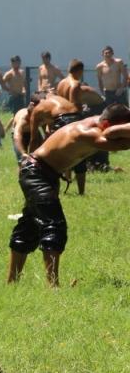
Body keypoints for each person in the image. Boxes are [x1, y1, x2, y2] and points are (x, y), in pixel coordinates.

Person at [7, 104, 130, 286]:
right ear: (106, 124)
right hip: (35, 173)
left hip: (46, 174)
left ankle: (12, 282)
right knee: (54, 225)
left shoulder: (98, 123)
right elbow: (119, 143)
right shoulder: (85, 132)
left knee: (29, 226)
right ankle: (53, 287)